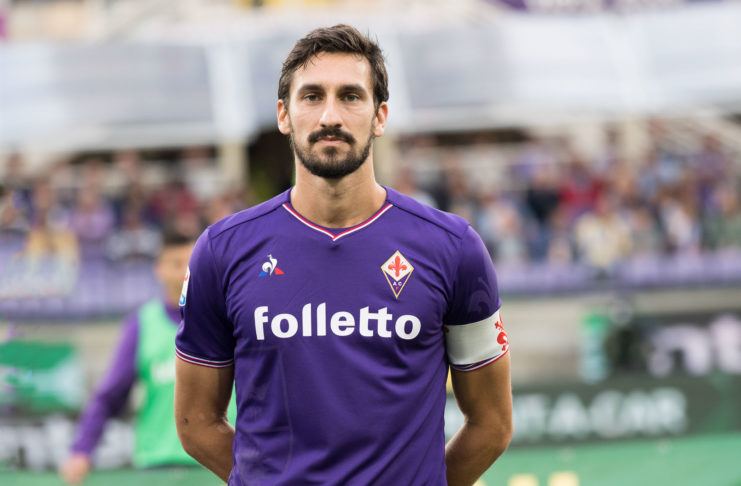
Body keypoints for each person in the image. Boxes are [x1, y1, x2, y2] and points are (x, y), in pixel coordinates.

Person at [174, 24, 512, 486]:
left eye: (350, 96)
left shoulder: (453, 248)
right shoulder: (222, 251)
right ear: (284, 114)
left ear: (380, 116)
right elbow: (195, 422)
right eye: (312, 96)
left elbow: (492, 424)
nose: (330, 115)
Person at [60, 231, 235, 484]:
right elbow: (110, 395)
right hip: (158, 467)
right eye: (176, 264)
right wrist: (82, 450)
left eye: (191, 263)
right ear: (159, 270)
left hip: (220, 465)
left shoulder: (230, 320)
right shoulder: (143, 324)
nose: (186, 271)